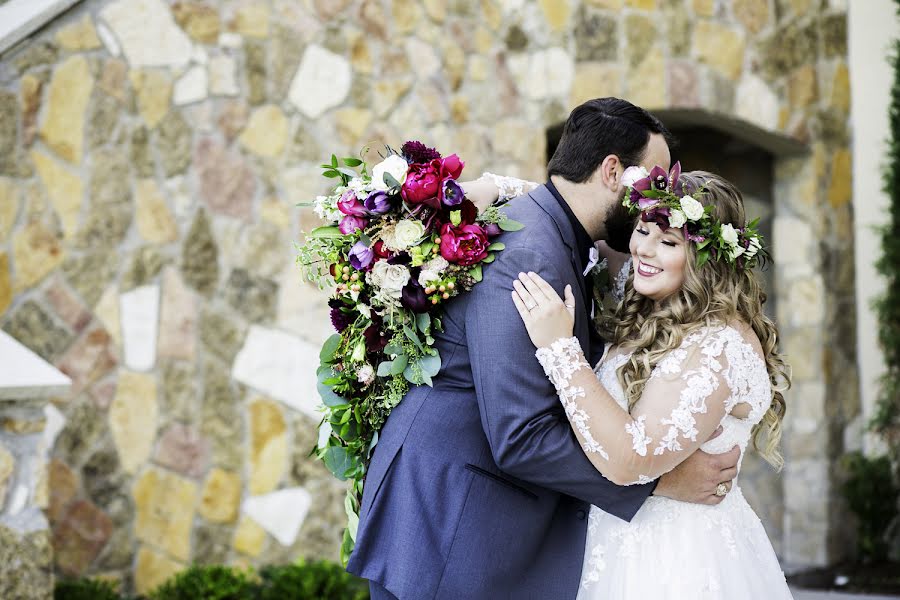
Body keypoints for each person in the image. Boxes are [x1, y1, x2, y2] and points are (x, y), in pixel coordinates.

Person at [346, 98, 742, 599]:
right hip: (451, 529)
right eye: (651, 180)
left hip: (471, 519)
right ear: (612, 171)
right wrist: (660, 485)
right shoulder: (530, 254)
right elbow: (520, 434)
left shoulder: (554, 228)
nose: (655, 199)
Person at [510, 167, 793, 598]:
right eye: (643, 230)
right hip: (615, 542)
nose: (644, 250)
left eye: (669, 242)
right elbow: (571, 206)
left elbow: (631, 458)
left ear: (706, 260)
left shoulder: (719, 346)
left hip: (675, 563)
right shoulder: (653, 298)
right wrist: (502, 187)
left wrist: (559, 350)